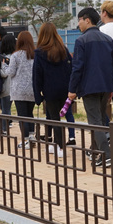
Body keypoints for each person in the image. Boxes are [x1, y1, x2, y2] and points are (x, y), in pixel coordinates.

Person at [68, 8, 113, 168]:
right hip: (106, 85)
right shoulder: (108, 39)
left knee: (95, 122)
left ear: (87, 20)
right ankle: (97, 152)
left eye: (80, 20)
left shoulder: (81, 41)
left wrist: (72, 89)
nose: (78, 24)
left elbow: (77, 67)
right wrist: (111, 86)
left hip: (89, 86)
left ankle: (107, 156)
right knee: (101, 119)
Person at [33, 22, 72, 157]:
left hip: (49, 89)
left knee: (54, 118)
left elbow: (36, 75)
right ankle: (57, 144)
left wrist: (37, 95)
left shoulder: (39, 52)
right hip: (64, 88)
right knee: (59, 116)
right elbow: (70, 69)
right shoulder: (64, 50)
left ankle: (59, 147)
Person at [2, 31, 36, 148]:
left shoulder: (16, 55)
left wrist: (4, 66)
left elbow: (10, 72)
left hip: (19, 90)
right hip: (32, 89)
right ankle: (32, 136)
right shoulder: (34, 54)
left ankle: (26, 140)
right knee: (29, 114)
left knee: (22, 115)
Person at [0, 34, 16, 133]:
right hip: (15, 87)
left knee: (5, 109)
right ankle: (7, 124)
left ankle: (4, 128)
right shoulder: (17, 55)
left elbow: (4, 74)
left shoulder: (5, 58)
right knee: (7, 108)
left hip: (6, 87)